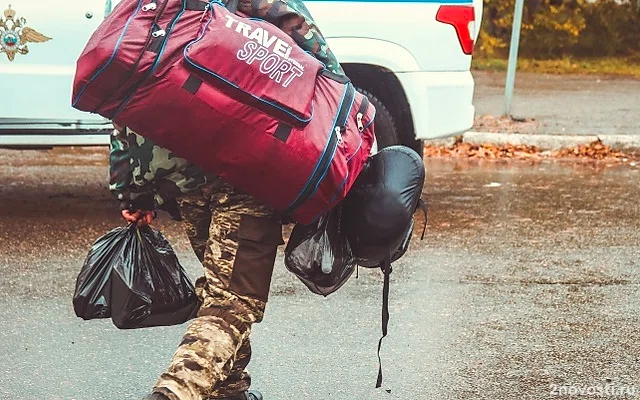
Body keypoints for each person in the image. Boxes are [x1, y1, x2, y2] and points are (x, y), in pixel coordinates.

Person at [107, 1, 345, 399]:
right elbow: (302, 34)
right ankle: (175, 391)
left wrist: (131, 189)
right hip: (248, 162)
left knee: (223, 283)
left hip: (179, 172)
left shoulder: (146, 8)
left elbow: (122, 96)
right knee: (232, 301)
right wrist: (340, 108)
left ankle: (231, 391)